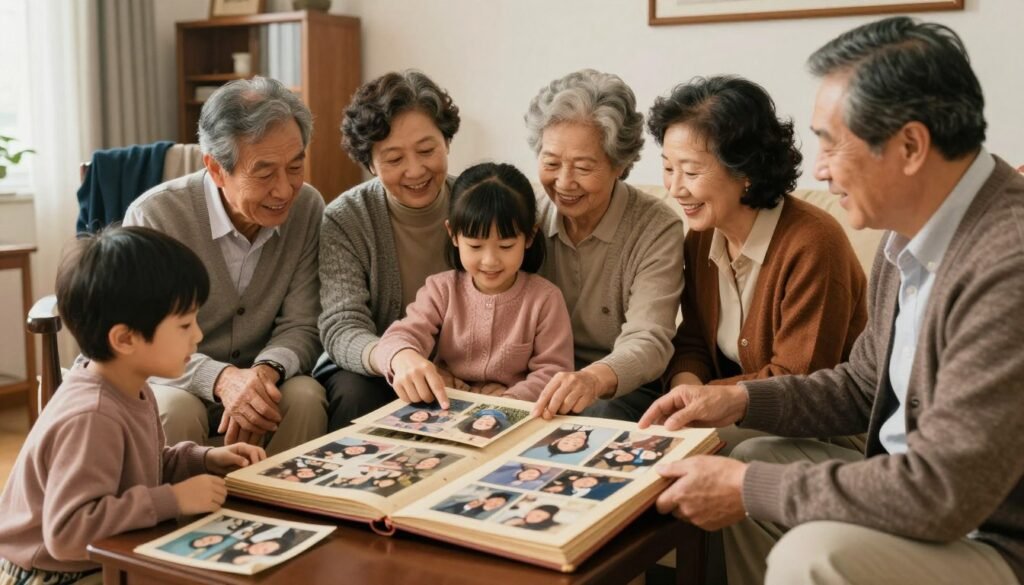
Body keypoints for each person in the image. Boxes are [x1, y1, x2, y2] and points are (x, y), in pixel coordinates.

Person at [640, 17, 1024, 585]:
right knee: (747, 456)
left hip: (987, 536)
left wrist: (747, 491)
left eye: (831, 144)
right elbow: (860, 385)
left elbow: (945, 490)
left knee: (809, 552)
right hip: (901, 482)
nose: (817, 169)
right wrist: (740, 400)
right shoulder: (905, 240)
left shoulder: (1005, 261)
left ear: (911, 146)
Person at [0, 227, 266, 584]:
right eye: (185, 324)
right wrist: (174, 499)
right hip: (54, 574)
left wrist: (203, 459)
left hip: (92, 560)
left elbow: (142, 467)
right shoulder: (91, 415)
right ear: (125, 339)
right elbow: (67, 534)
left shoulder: (131, 386)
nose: (198, 335)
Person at [647, 76, 868, 450]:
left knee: (681, 448)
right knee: (623, 414)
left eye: (692, 170)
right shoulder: (702, 236)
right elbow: (693, 341)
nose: (675, 188)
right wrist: (687, 390)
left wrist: (706, 400)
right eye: (669, 168)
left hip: (817, 423)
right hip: (731, 410)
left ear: (744, 171)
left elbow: (799, 379)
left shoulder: (813, 243)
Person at [124, 76, 327, 455]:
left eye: (295, 166)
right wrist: (220, 379)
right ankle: (182, 512)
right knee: (174, 409)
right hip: (174, 377)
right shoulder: (156, 216)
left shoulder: (308, 208)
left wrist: (263, 375)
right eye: (265, 173)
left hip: (266, 374)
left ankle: (288, 508)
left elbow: (302, 323)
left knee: (305, 395)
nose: (284, 190)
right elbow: (143, 338)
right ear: (216, 170)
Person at [524, 69, 685, 422]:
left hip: (621, 388)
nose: (564, 183)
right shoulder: (525, 216)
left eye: (583, 167)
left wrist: (592, 379)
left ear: (620, 164)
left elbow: (650, 338)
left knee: (597, 417)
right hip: (534, 379)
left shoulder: (655, 227)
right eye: (551, 163)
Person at [316, 70, 462, 430]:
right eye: (394, 159)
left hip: (469, 368)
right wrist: (397, 355)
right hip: (377, 369)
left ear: (447, 142)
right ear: (369, 164)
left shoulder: (477, 203)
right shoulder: (346, 219)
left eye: (427, 150)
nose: (415, 170)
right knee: (355, 393)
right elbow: (342, 326)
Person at [371, 162, 574, 408]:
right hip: (446, 407)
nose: (490, 261)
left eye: (506, 246)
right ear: (453, 235)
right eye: (475, 246)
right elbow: (399, 338)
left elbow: (554, 370)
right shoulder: (441, 290)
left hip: (516, 412)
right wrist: (404, 357)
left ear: (529, 237)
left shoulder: (545, 299)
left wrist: (510, 398)